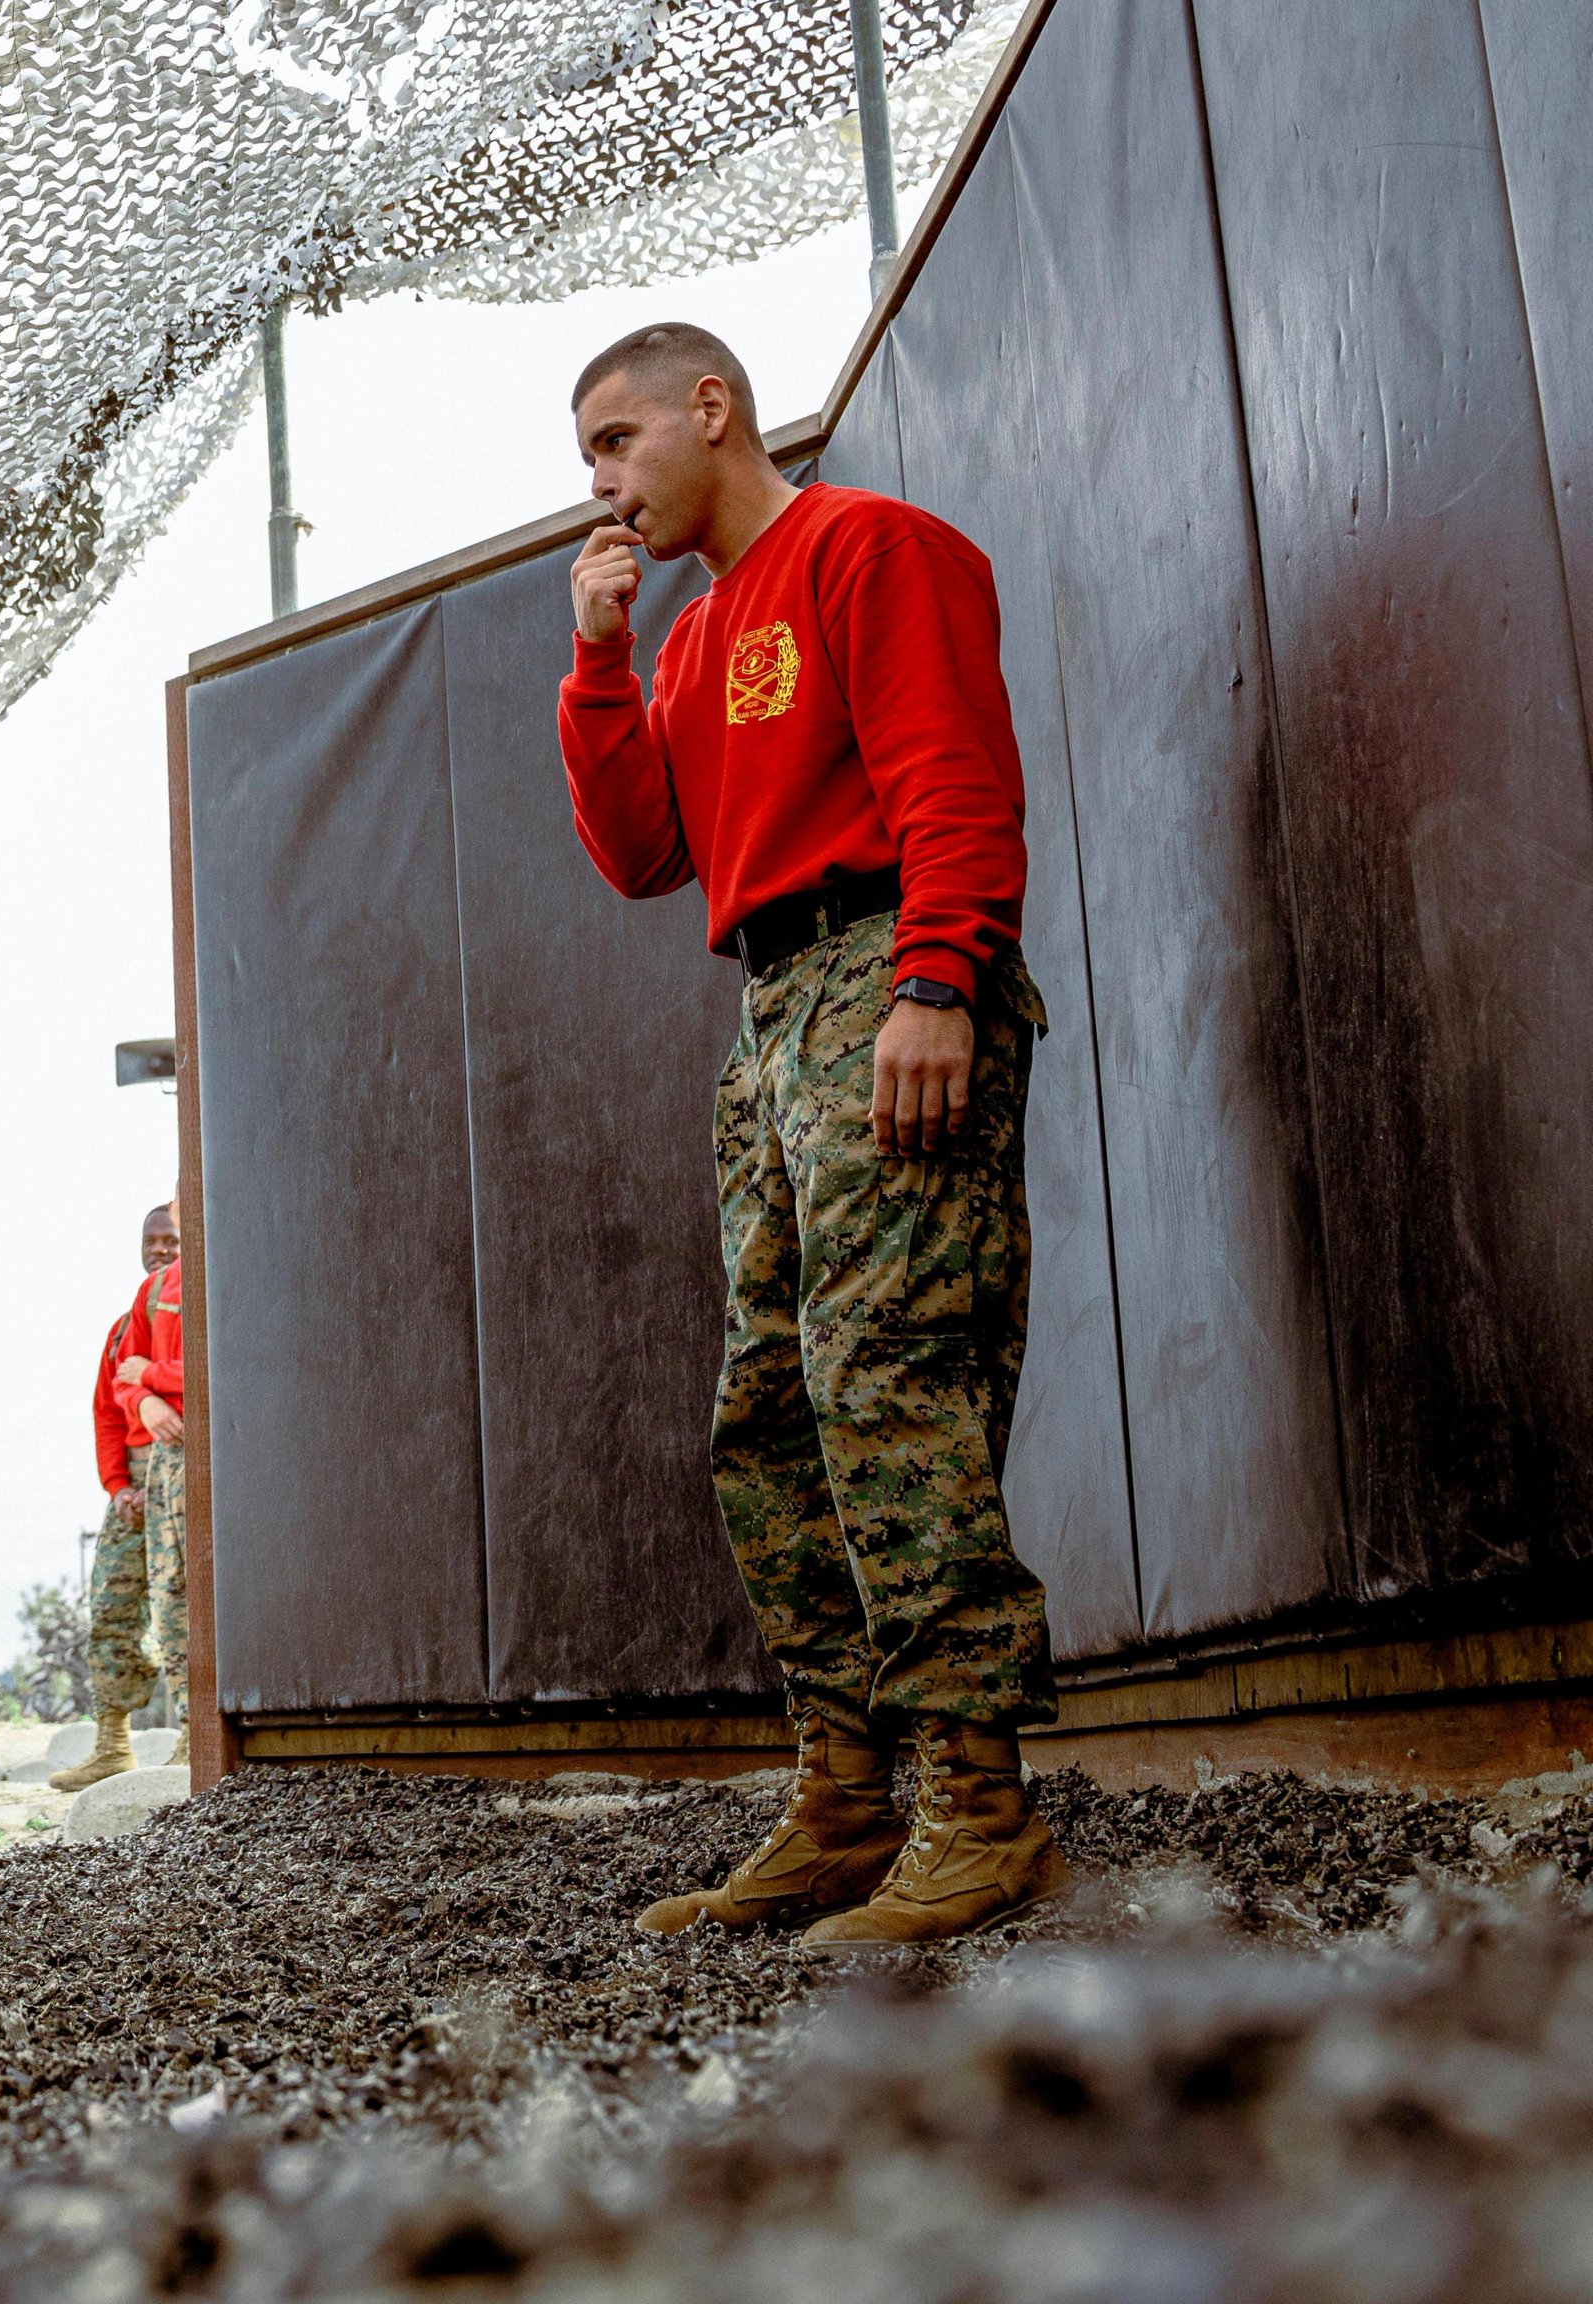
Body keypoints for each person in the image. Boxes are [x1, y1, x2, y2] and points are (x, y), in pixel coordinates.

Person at [556, 320, 1058, 1946]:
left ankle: (975, 1803)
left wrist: (940, 976)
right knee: (766, 1411)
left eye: (620, 441)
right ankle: (846, 1794)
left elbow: (955, 777)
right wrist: (602, 662)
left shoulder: (865, 545)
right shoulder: (695, 641)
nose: (606, 483)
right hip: (770, 1011)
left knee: (886, 1373)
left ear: (714, 408)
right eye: (589, 462)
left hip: (882, 966)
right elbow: (643, 853)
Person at [52, 1204, 184, 1794]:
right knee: (112, 1604)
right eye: (150, 1241)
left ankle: (191, 1739)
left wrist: (152, 1380)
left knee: (182, 1600)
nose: (159, 1250)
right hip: (134, 1478)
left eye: (171, 1240)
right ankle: (112, 1743)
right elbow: (108, 1411)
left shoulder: (196, 1307)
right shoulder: (125, 1325)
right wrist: (119, 1487)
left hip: (184, 1467)